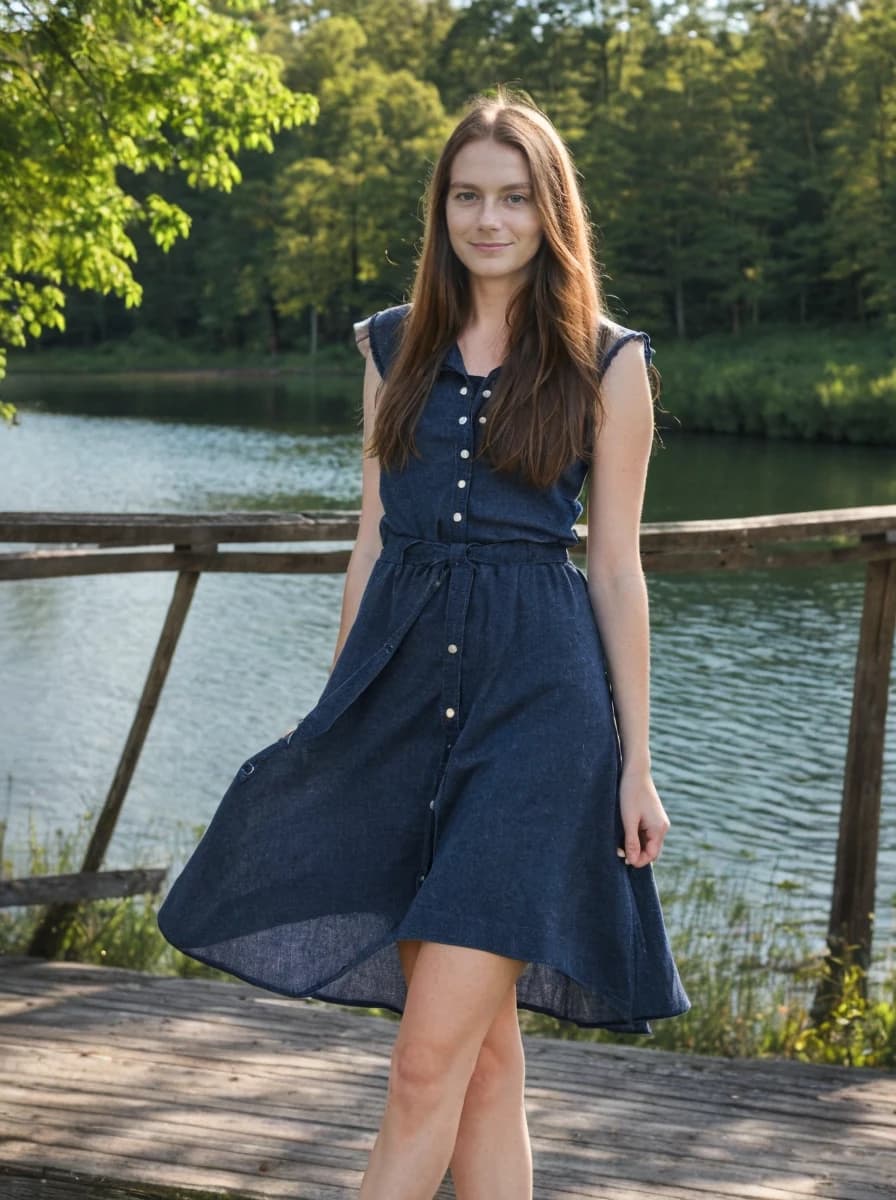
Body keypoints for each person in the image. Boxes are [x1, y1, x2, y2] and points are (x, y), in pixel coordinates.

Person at [157, 85, 689, 1200]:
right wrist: (334, 713)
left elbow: (615, 569)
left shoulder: (607, 361)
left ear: (550, 211)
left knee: (421, 1067)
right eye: (466, 196)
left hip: (538, 725)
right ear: (440, 207)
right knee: (484, 1065)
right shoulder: (388, 345)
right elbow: (367, 545)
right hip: (395, 706)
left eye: (511, 198)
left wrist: (635, 763)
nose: (487, 219)